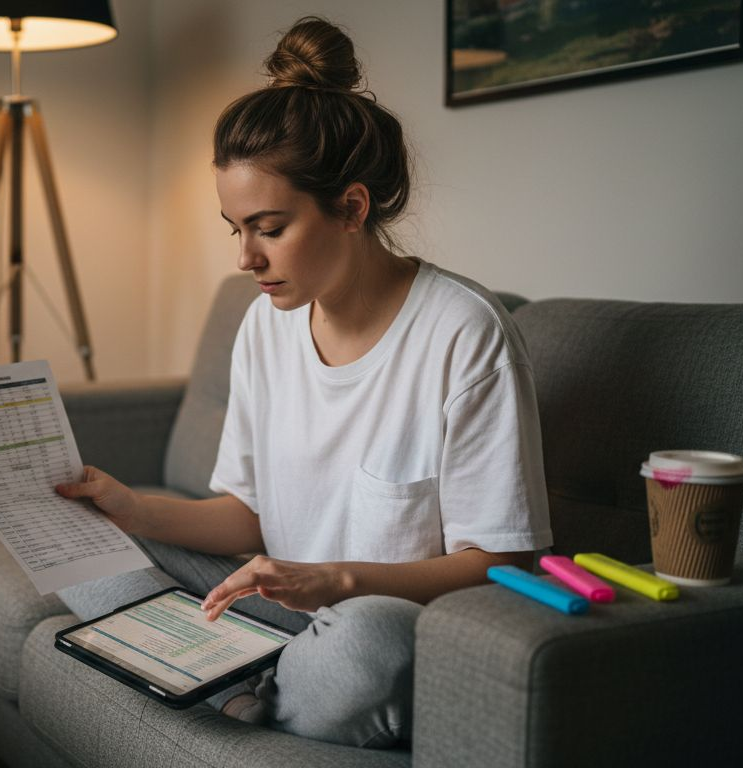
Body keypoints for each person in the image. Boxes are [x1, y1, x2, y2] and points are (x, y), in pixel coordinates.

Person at [55, 16, 552, 749]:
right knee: (79, 543)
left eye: (269, 227)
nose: (247, 259)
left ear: (351, 208)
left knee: (364, 645)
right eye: (236, 230)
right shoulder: (266, 324)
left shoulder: (463, 332)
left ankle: (215, 685)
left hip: (367, 615)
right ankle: (239, 686)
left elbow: (502, 562)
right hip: (274, 603)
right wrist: (134, 510)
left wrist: (340, 581)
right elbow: (248, 516)